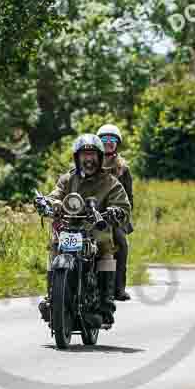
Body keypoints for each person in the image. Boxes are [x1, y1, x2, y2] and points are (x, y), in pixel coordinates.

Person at [35, 134, 131, 327]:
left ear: (100, 157)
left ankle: (105, 303)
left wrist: (115, 211)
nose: (89, 159)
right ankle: (52, 296)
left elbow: (123, 205)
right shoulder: (67, 179)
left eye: (93, 155)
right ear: (77, 157)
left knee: (106, 249)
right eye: (84, 155)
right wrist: (49, 203)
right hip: (68, 227)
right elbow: (56, 194)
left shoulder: (110, 182)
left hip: (96, 229)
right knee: (54, 248)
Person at [96, 124, 133, 301]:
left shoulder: (123, 168)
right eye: (104, 140)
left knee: (121, 243)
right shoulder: (92, 162)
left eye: (112, 140)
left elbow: (128, 197)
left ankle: (118, 288)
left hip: (114, 215)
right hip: (92, 211)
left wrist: (123, 219)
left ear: (117, 144)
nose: (108, 143)